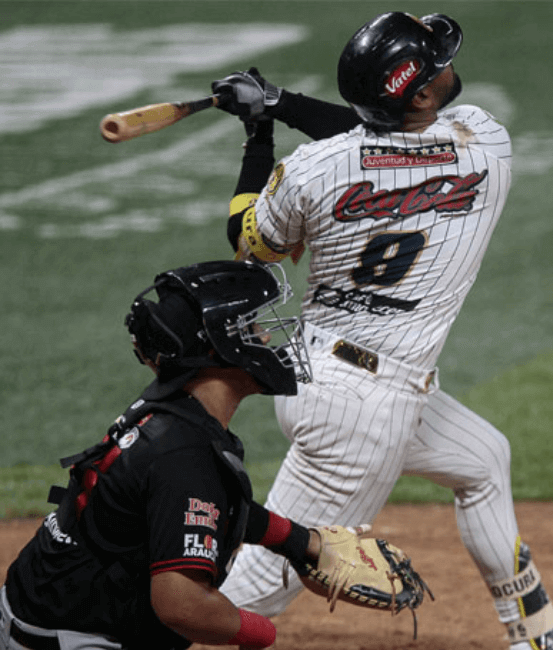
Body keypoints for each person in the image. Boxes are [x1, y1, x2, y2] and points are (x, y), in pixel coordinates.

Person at [210, 12, 553, 650]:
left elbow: (248, 242)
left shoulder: (311, 170)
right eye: (436, 65)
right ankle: (96, 631)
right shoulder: (486, 144)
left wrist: (261, 127)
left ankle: (540, 638)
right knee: (258, 590)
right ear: (425, 95)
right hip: (363, 414)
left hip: (336, 382)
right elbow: (380, 134)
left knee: (483, 460)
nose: (447, 65)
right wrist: (284, 103)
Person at [1, 260, 336, 650]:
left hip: (41, 617)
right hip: (67, 640)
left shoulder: (171, 411)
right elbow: (182, 606)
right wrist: (262, 634)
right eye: (250, 327)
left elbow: (193, 506)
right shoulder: (183, 453)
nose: (266, 336)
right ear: (218, 347)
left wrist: (295, 540)